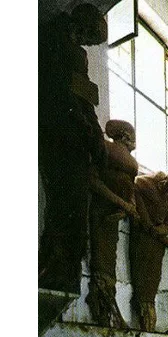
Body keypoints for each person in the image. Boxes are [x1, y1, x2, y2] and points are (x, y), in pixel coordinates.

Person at [39, 4, 108, 293]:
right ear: (84, 24)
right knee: (64, 204)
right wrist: (78, 118)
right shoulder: (53, 34)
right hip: (59, 128)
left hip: (76, 133)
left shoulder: (78, 54)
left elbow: (85, 99)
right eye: (90, 39)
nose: (87, 46)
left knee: (76, 206)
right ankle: (53, 269)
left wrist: (98, 143)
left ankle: (66, 273)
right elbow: (51, 84)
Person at [86, 120, 139, 328]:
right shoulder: (106, 149)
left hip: (115, 213)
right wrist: (122, 203)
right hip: (103, 210)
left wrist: (128, 206)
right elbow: (93, 180)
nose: (134, 140)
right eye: (132, 135)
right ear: (124, 135)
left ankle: (110, 309)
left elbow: (130, 188)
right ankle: (104, 309)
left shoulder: (130, 164)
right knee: (102, 260)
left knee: (110, 259)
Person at [129, 171, 168, 331]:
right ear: (167, 177)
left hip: (156, 244)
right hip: (143, 240)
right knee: (141, 276)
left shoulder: (166, 197)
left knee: (153, 279)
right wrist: (148, 225)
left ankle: (148, 318)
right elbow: (138, 202)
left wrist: (160, 231)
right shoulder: (143, 182)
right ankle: (143, 314)